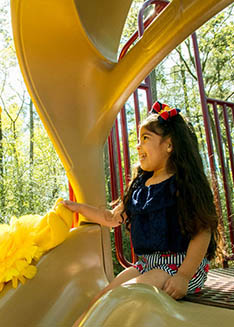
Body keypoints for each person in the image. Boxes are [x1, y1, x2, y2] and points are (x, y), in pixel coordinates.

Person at [62, 101, 219, 323]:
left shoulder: (182, 185)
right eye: (138, 140)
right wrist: (78, 207)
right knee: (102, 297)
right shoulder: (139, 187)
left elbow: (203, 231)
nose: (137, 146)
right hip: (145, 264)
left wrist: (183, 276)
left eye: (145, 138)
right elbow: (111, 218)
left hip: (181, 265)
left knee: (124, 296)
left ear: (169, 145)